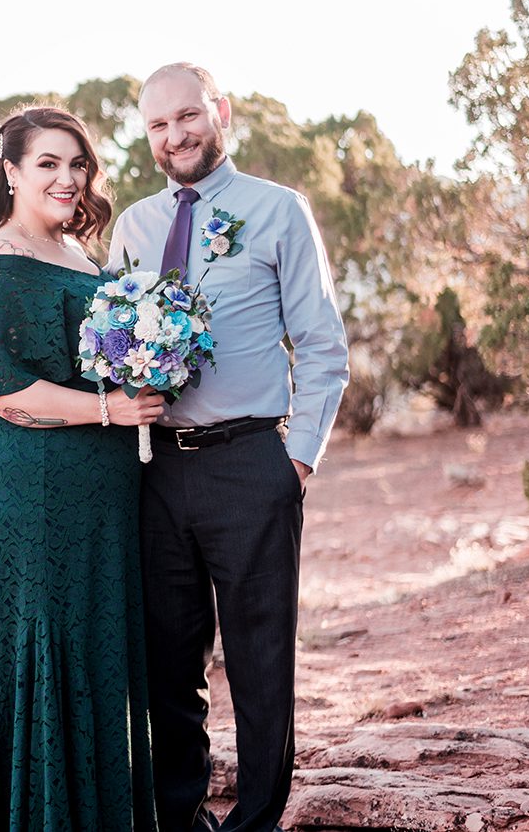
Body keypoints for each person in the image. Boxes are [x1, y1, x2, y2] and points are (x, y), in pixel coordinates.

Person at [109, 64, 349, 832]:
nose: (174, 135)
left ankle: (254, 822)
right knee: (170, 662)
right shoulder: (134, 228)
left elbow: (321, 345)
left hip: (253, 463)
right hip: (155, 470)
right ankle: (180, 818)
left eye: (187, 117)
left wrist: (298, 460)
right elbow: (110, 345)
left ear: (221, 112)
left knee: (259, 657)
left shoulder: (279, 210)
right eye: (157, 125)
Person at [0, 106, 164, 831]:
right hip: (30, 491)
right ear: (10, 172)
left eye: (78, 165)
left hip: (101, 492)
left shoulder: (80, 256)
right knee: (45, 644)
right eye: (48, 164)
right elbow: (0, 392)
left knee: (96, 647)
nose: (68, 179)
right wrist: (111, 412)